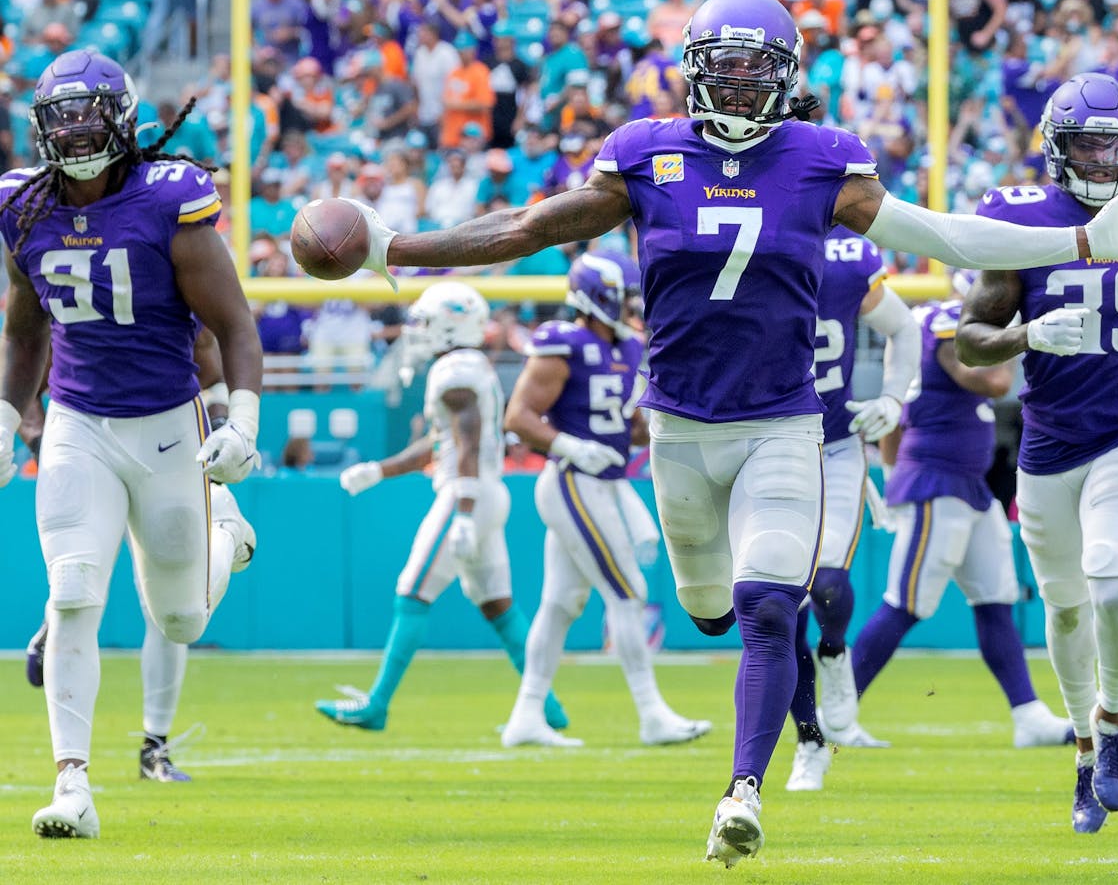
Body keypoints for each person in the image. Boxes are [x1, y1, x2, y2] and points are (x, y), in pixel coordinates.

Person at [309, 0, 1118, 866]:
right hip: (681, 428)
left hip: (784, 423)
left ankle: (742, 796)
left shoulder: (821, 159)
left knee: (771, 607)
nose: (736, 88)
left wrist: (1081, 245)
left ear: (786, 77)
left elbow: (946, 238)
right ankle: (755, 712)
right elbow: (530, 226)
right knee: (708, 609)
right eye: (721, 70)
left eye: (754, 71)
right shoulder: (645, 153)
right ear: (693, 71)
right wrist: (397, 249)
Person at [0, 50, 263, 838]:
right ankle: (73, 787)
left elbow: (235, 325)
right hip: (78, 421)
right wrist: (9, 417)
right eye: (61, 117)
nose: (75, 132)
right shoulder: (23, 206)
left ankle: (229, 533)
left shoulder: (167, 201)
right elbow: (25, 327)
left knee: (178, 620)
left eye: (88, 114)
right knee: (73, 593)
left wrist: (240, 422)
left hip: (165, 427)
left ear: (121, 118)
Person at [956, 73, 1118, 835]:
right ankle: (1081, 749)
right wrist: (1027, 335)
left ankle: (1114, 721)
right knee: (1066, 611)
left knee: (1110, 586)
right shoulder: (1022, 220)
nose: (1101, 160)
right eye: (1086, 145)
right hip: (1048, 439)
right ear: (1055, 148)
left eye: (1112, 145)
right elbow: (971, 338)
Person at [317, 283, 568, 735]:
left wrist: (466, 511)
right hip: (485, 491)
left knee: (412, 592)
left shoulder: (456, 371)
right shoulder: (468, 367)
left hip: (465, 494)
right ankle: (548, 709)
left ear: (450, 324)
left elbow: (467, 440)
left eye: (426, 323)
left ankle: (377, 705)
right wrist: (380, 470)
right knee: (498, 607)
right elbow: (442, 442)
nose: (418, 332)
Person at [21, 329, 254, 784]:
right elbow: (24, 363)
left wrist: (225, 427)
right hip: (86, 448)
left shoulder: (171, 281)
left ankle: (155, 747)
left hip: (166, 451)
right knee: (78, 585)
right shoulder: (66, 284)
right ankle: (73, 776)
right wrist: (41, 441)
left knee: (170, 615)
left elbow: (212, 353)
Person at [501, 251, 711, 748]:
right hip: (572, 479)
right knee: (628, 589)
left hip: (604, 482)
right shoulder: (561, 343)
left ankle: (527, 714)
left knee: (559, 604)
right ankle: (651, 713)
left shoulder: (628, 347)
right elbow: (518, 417)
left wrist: (650, 427)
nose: (629, 305)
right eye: (621, 296)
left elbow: (631, 425)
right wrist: (572, 445)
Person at [849, 290, 1074, 755]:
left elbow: (899, 415)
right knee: (905, 603)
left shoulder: (927, 320)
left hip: (967, 485)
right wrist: (1021, 338)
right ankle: (837, 710)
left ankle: (1027, 714)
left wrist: (892, 474)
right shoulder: (945, 320)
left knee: (996, 600)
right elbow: (990, 380)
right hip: (937, 482)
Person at [784, 225, 922, 793]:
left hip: (836, 444)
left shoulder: (842, 260)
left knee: (830, 584)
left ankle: (836, 651)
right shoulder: (731, 260)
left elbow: (904, 328)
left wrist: (893, 396)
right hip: (762, 444)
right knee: (776, 607)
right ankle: (810, 741)